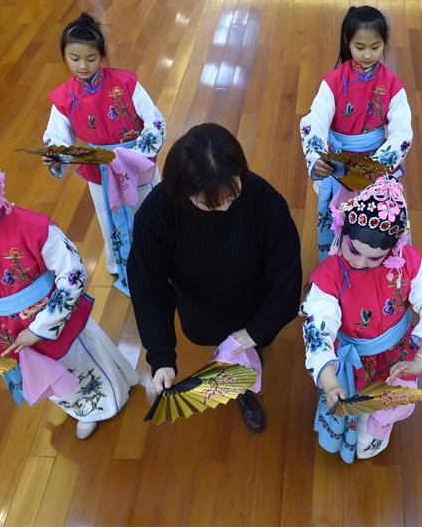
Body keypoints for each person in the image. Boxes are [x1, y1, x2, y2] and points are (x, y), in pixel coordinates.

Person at [0, 132, 138, 439]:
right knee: (43, 374)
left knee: (80, 361)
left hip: (52, 315)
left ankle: (106, 403)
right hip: (6, 331)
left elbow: (73, 274)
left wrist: (41, 326)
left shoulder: (31, 226)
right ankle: (79, 408)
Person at [127, 123, 302, 433]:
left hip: (255, 301)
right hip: (200, 308)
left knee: (249, 353)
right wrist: (161, 355)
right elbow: (148, 287)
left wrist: (258, 330)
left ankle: (244, 389)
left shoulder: (265, 202)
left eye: (232, 196)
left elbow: (286, 274)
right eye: (210, 204)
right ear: (182, 192)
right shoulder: (156, 216)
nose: (224, 207)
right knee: (217, 345)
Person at [299, 176, 422, 462]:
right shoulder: (330, 276)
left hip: (398, 356)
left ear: (393, 249)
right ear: (341, 232)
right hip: (354, 360)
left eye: (374, 258)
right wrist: (330, 381)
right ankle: (361, 432)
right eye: (353, 250)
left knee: (386, 405)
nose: (359, 263)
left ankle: (377, 429)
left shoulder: (407, 263)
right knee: (355, 404)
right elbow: (318, 325)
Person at [43, 12, 166, 293]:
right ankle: (120, 264)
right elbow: (58, 138)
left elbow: (154, 120)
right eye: (74, 58)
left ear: (101, 56)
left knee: (149, 209)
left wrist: (139, 151)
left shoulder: (124, 83)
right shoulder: (63, 98)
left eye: (91, 58)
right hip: (99, 166)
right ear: (64, 55)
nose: (83, 66)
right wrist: (55, 155)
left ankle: (161, 259)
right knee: (107, 215)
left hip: (134, 160)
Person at [299, 5, 413, 260]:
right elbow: (315, 119)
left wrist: (375, 166)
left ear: (385, 43)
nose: (368, 54)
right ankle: (338, 276)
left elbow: (402, 133)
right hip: (340, 168)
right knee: (340, 228)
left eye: (375, 46)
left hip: (377, 168)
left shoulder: (392, 84)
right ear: (347, 43)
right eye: (360, 47)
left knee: (379, 228)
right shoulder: (333, 81)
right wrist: (315, 156)